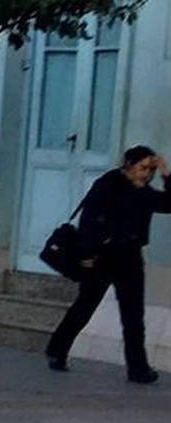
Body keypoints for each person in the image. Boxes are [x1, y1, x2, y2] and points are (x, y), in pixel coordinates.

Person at [46, 145, 169, 385]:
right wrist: (86, 253)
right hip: (101, 258)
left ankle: (138, 369)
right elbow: (89, 220)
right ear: (128, 166)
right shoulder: (108, 185)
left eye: (150, 169)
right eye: (143, 168)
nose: (147, 174)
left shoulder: (145, 193)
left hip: (131, 258)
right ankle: (57, 350)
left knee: (134, 316)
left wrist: (166, 172)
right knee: (84, 307)